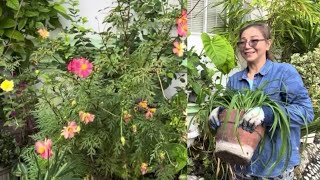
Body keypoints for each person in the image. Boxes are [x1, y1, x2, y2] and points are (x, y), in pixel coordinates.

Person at [208, 23, 314, 180]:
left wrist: (268, 113)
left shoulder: (284, 73)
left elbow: (306, 113)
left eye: (254, 40)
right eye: (242, 42)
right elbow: (233, 115)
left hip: (275, 169)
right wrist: (220, 112)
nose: (247, 46)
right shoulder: (235, 80)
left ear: (268, 43)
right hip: (240, 166)